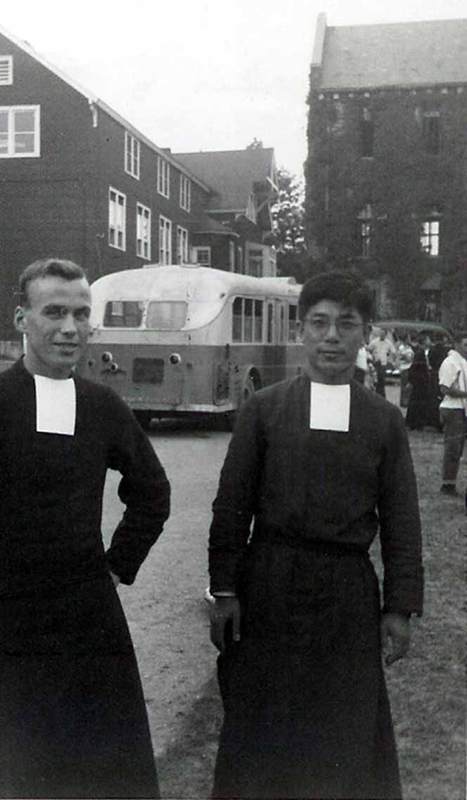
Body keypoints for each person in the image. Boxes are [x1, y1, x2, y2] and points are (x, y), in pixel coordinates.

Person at [0, 258, 170, 799]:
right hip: (4, 633)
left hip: (93, 630)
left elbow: (153, 493)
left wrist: (117, 565)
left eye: (80, 314)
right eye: (54, 312)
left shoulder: (103, 407)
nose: (70, 328)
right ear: (22, 317)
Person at [208, 271, 423, 800]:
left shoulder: (384, 420)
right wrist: (225, 589)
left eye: (346, 325)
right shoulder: (264, 409)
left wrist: (399, 607)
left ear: (364, 334)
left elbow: (401, 519)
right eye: (320, 323)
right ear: (302, 330)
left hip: (346, 594)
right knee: (264, 731)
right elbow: (232, 506)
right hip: (270, 586)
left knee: (344, 732)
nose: (332, 336)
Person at [437, 332, 467, 497]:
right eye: (465, 344)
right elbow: (445, 388)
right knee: (453, 448)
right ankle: (447, 483)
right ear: (456, 344)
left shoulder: (463, 362)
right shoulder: (450, 362)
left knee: (458, 448)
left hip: (461, 409)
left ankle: (451, 480)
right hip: (453, 408)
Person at [405, 349, 433, 430]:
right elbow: (427, 378)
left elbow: (410, 377)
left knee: (413, 406)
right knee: (422, 407)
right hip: (423, 390)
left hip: (415, 390)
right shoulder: (424, 368)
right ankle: (420, 423)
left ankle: (411, 423)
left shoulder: (413, 366)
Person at [368, 328, 396, 397]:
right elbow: (369, 349)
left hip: (383, 364)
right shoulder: (374, 342)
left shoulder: (388, 343)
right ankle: (375, 395)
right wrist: (372, 357)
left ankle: (381, 395)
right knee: (375, 380)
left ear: (385, 335)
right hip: (376, 363)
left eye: (383, 334)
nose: (381, 335)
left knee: (381, 381)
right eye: (381, 334)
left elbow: (393, 352)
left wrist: (390, 359)